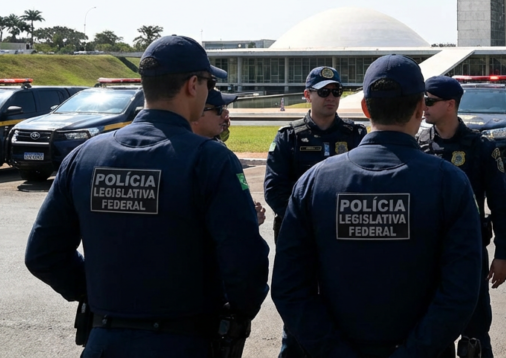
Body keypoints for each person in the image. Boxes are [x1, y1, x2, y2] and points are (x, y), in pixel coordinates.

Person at [24, 35, 269, 357]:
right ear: (193, 85)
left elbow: (44, 255)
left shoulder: (85, 155)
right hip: (186, 341)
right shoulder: (209, 159)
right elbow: (245, 262)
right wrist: (235, 312)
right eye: (209, 82)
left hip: (104, 339)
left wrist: (101, 294)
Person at [271, 54, 483, 357]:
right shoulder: (449, 183)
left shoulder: (314, 182)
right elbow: (460, 290)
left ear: (365, 108)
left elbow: (290, 288)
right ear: (420, 109)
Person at [419, 75, 506, 358]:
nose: (422, 107)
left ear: (450, 105)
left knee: (474, 333)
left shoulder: (481, 147)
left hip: (468, 253)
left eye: (429, 102)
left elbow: (501, 205)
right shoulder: (418, 144)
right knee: (430, 332)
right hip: (426, 254)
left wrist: (502, 254)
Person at [265, 65, 366, 239]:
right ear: (307, 95)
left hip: (343, 232)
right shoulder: (289, 137)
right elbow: (274, 189)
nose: (331, 97)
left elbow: (365, 184)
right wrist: (307, 220)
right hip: (299, 231)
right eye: (323, 92)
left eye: (336, 91)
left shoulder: (355, 134)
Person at [192, 88, 266, 226]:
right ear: (196, 112)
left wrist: (248, 205)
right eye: (219, 109)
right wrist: (243, 218)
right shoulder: (192, 157)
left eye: (226, 108)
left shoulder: (220, 148)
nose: (226, 114)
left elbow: (241, 182)